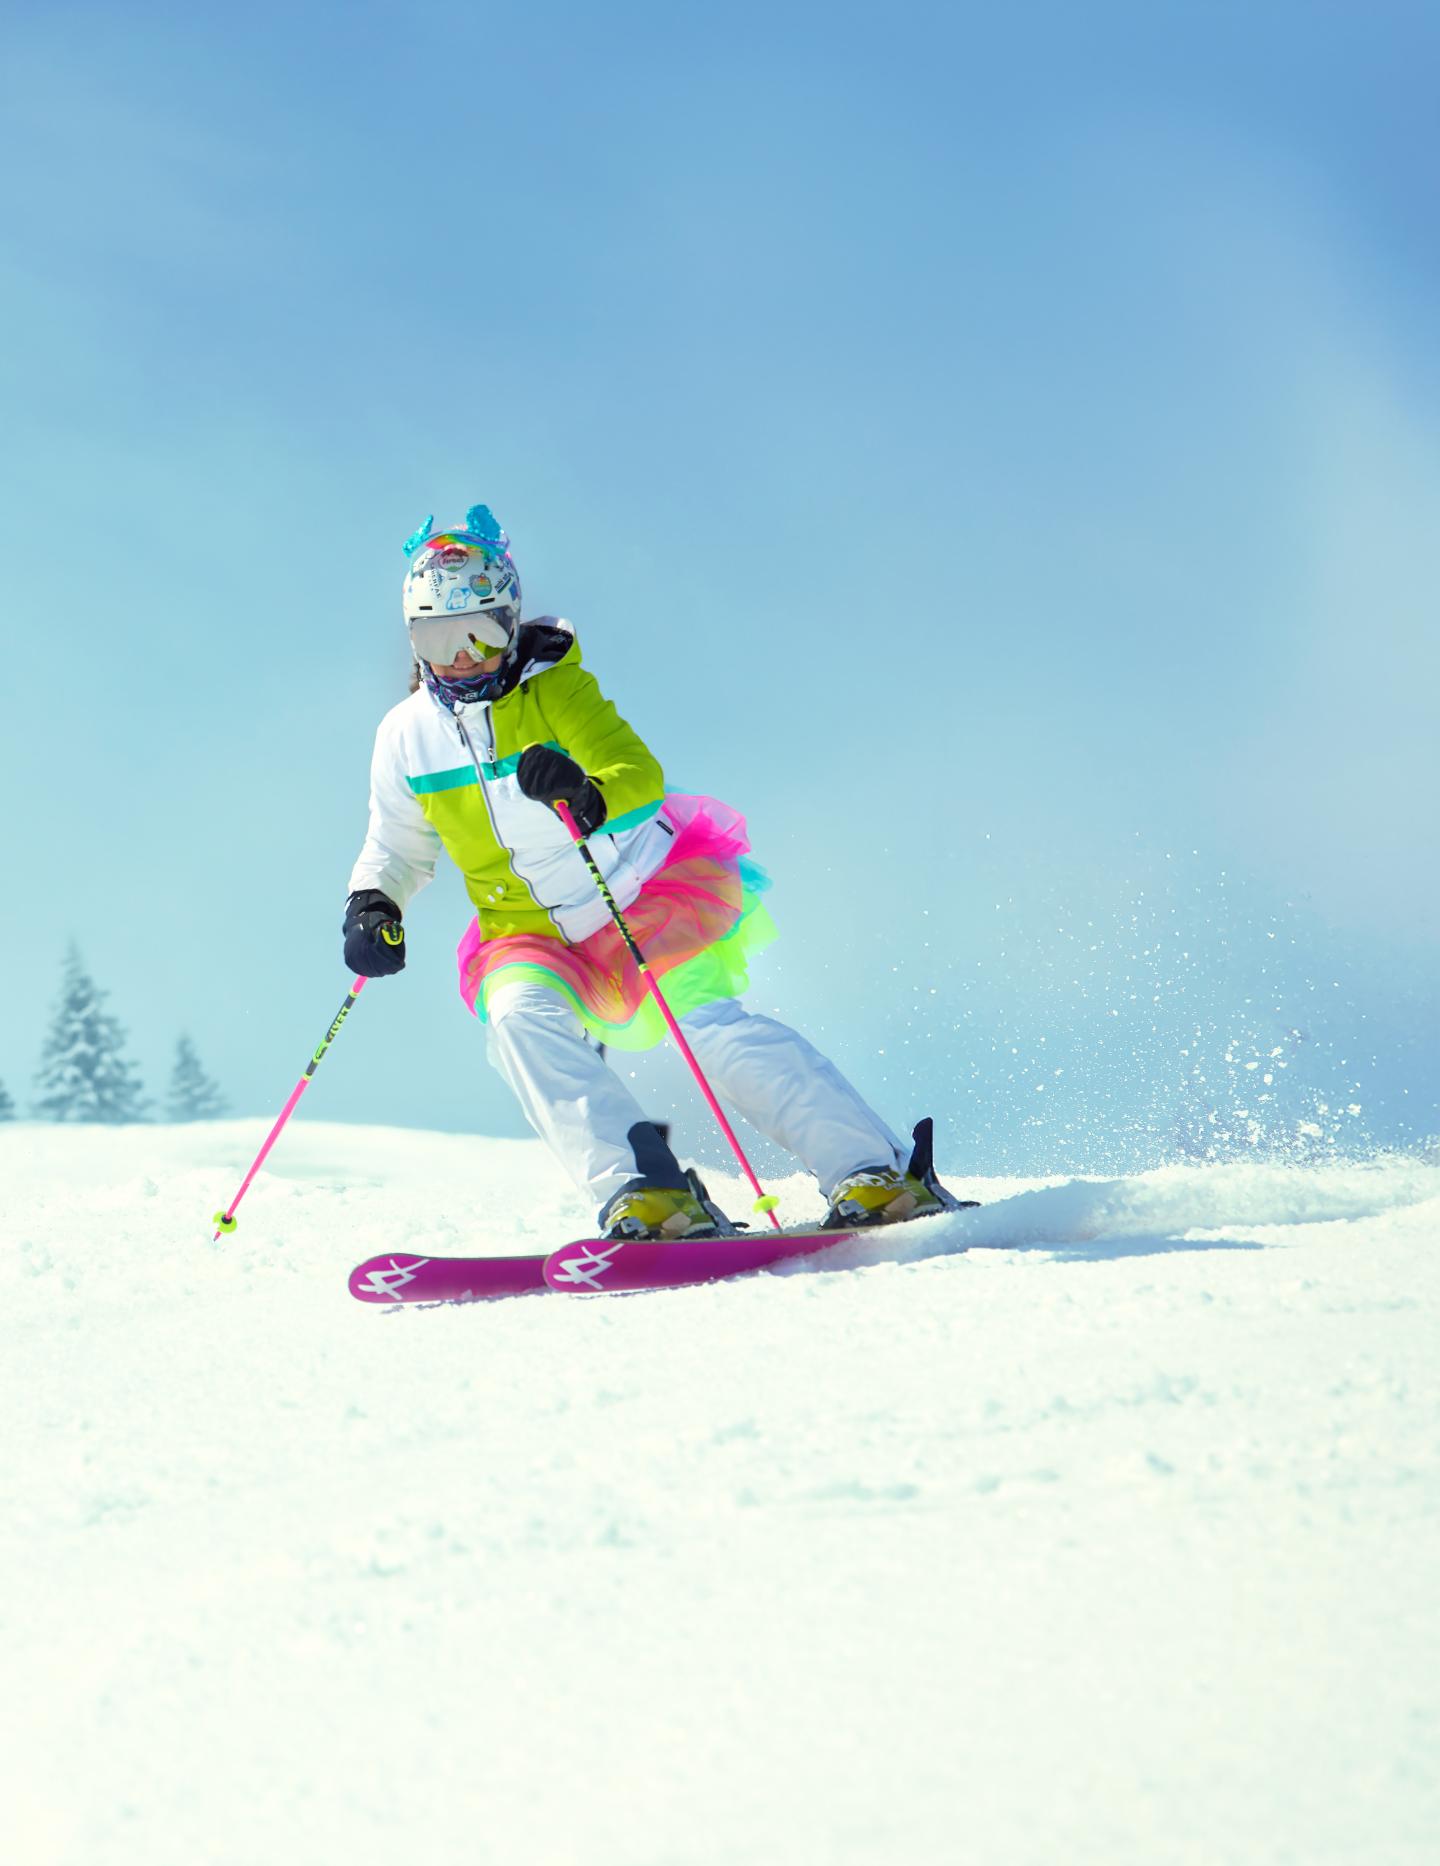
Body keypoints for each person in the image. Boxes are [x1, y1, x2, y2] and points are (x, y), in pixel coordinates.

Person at [343, 504, 949, 1240]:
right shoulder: (404, 738)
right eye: (440, 637)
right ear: (414, 642)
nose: (464, 656)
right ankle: (646, 1190)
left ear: (511, 621)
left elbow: (637, 773)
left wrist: (584, 793)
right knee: (517, 1023)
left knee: (704, 1028)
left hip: (636, 897)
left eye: (483, 631)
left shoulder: (558, 690)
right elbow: (397, 845)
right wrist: (374, 902)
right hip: (524, 932)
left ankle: (872, 1171)